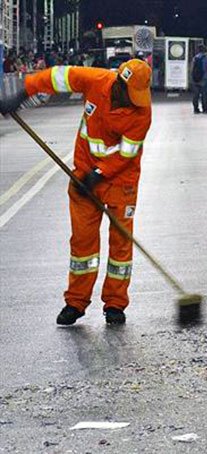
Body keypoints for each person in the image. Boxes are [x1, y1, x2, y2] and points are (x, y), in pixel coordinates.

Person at [0, 60, 153, 325]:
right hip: (83, 175)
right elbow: (57, 76)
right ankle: (76, 303)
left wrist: (99, 174)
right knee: (82, 244)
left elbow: (127, 154)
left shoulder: (142, 112)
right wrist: (23, 93)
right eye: (131, 95)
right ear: (119, 84)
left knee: (120, 241)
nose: (134, 102)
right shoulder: (95, 80)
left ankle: (115, 304)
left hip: (121, 181)